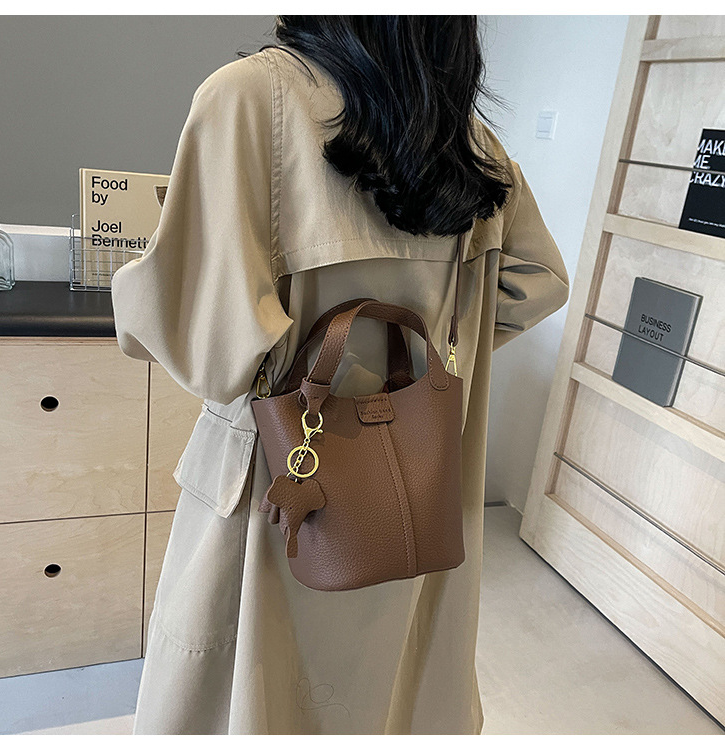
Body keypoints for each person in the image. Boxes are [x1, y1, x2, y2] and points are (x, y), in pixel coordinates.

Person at [110, 16, 570, 734]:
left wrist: (141, 281)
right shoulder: (470, 142)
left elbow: (208, 349)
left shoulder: (250, 100)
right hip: (413, 490)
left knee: (252, 693)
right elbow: (537, 282)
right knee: (385, 692)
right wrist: (423, 351)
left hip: (281, 493)